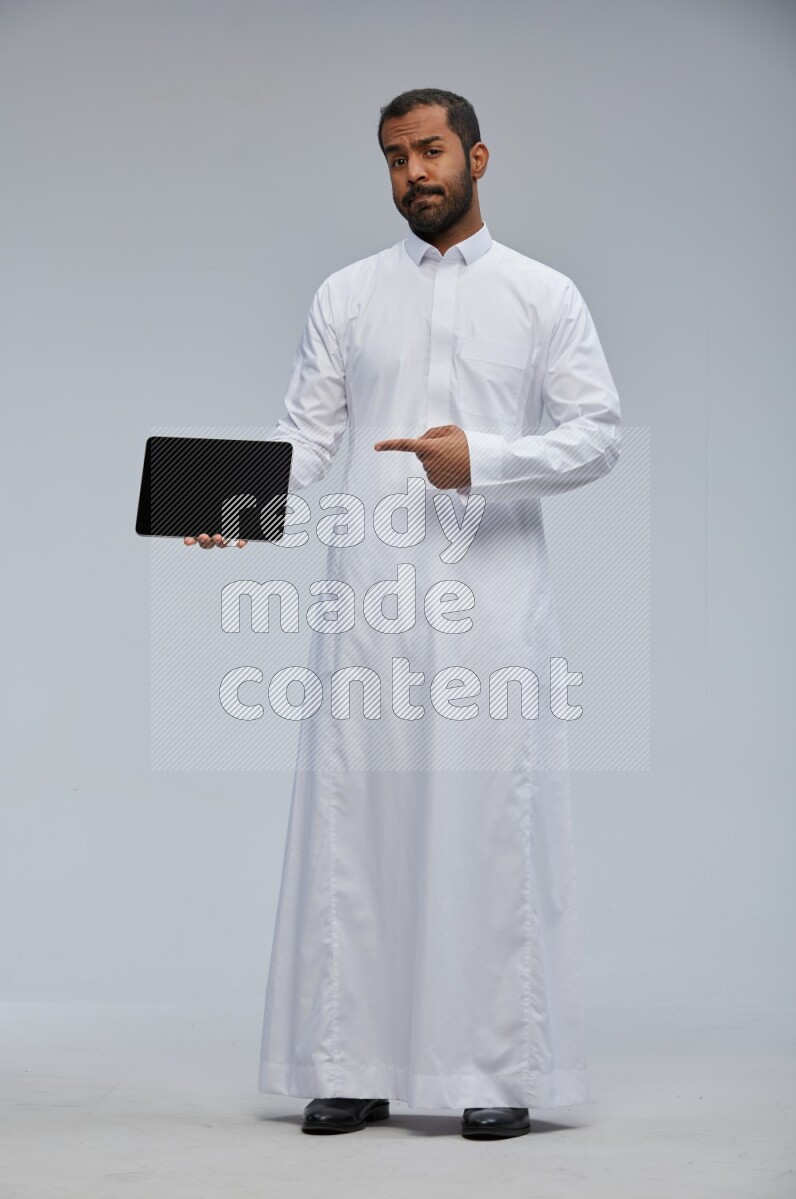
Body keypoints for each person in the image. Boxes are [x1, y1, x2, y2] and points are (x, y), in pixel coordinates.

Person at [186, 87, 622, 1140]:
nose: (411, 173)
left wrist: (488, 458)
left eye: (428, 151)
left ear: (475, 155)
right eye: (393, 158)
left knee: (484, 830)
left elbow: (597, 432)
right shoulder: (346, 294)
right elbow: (305, 436)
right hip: (370, 600)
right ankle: (353, 1060)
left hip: (491, 607)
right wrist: (232, 506)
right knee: (360, 822)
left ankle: (493, 1070)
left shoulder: (539, 294)